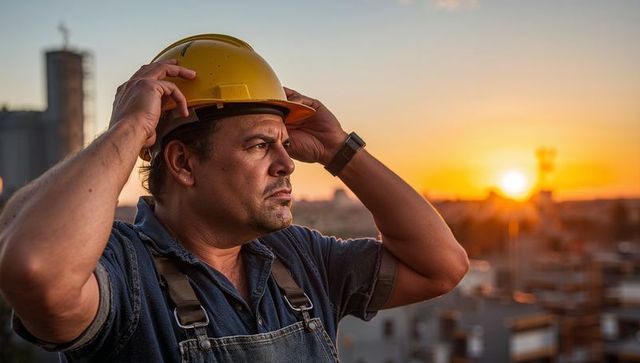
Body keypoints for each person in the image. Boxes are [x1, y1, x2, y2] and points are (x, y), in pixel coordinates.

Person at [0, 34, 469, 362]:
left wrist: (339, 150)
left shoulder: (300, 258)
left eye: (285, 144)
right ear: (183, 163)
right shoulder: (124, 273)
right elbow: (33, 265)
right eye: (261, 145)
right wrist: (130, 128)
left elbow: (442, 266)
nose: (287, 165)